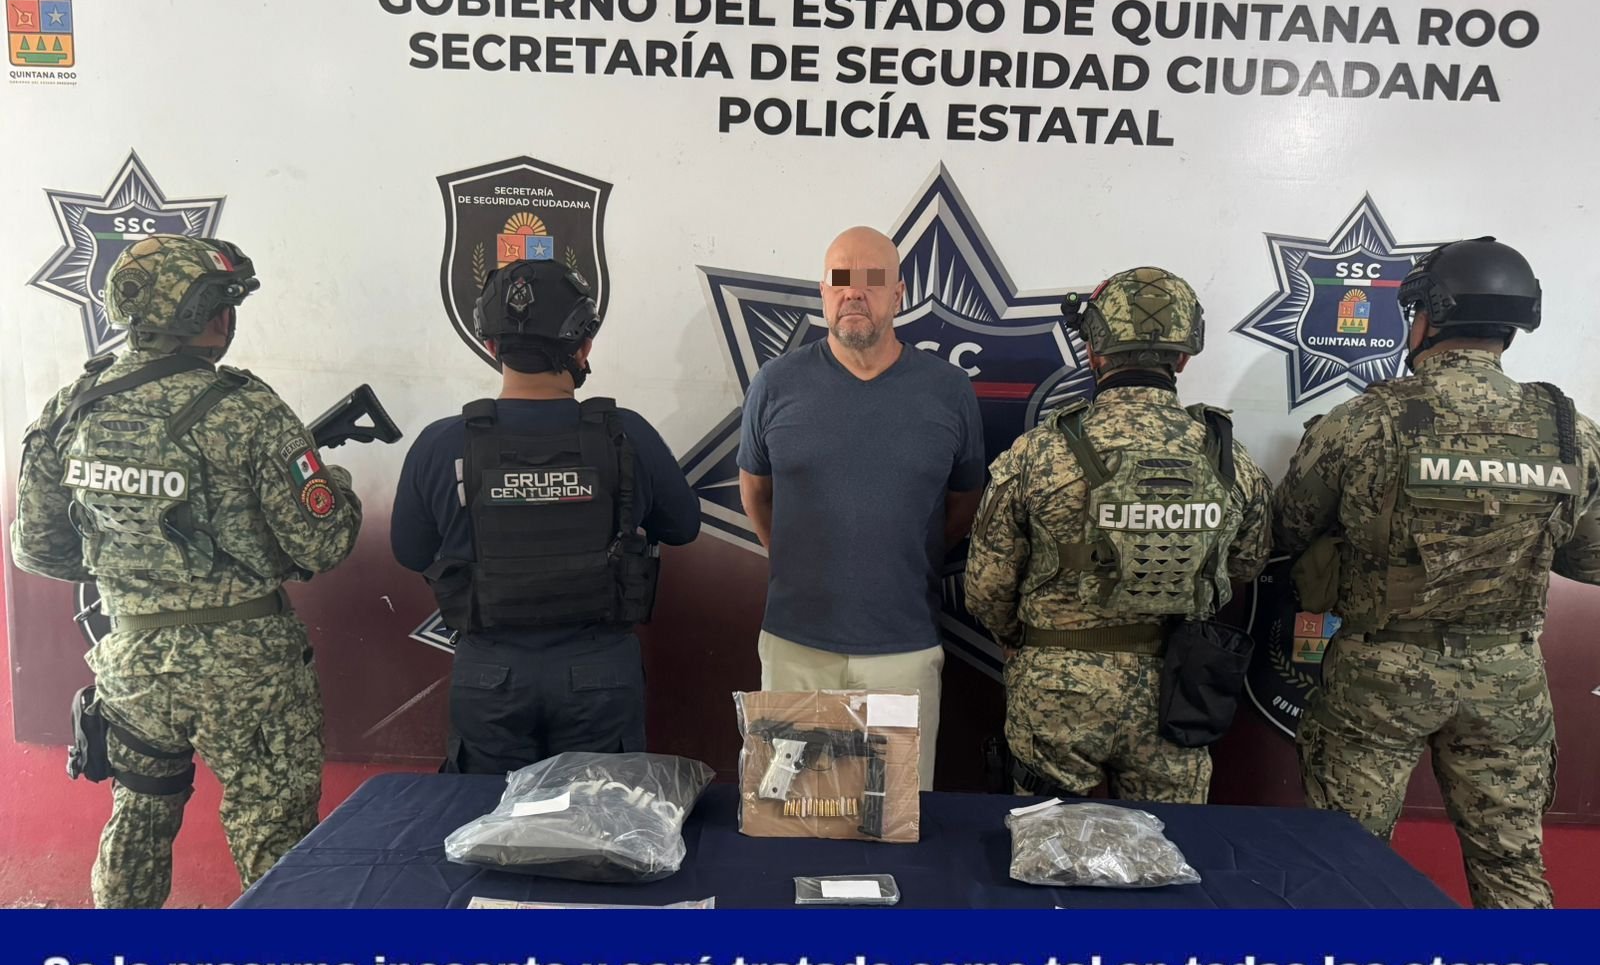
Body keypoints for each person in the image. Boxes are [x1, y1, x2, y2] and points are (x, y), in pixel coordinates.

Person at [9, 234, 362, 907]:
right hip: (248, 668)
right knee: (273, 829)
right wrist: (335, 485)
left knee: (137, 817)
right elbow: (323, 545)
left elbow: (39, 550)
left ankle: (116, 963)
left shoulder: (71, 407)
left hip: (132, 661)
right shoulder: (248, 410)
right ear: (209, 313)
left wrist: (136, 563)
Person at [1274, 236, 1600, 908]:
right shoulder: (1572, 429)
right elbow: (1589, 558)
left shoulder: (1365, 419)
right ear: (1513, 326)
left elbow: (1290, 526)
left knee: (1345, 861)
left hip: (1379, 672)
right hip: (1507, 677)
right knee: (1511, 864)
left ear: (1427, 317)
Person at [965, 267, 1272, 802]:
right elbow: (1246, 564)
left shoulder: (1040, 453)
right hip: (1180, 690)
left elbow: (986, 587)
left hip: (1059, 686)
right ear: (1183, 357)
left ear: (1093, 352)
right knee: (1170, 844)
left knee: (1050, 842)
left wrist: (1021, 643)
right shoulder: (1229, 458)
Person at [391, 259, 699, 774]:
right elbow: (683, 528)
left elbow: (410, 551)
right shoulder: (627, 434)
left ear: (491, 346)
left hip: (490, 678)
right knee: (598, 820)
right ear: (583, 347)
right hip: (599, 675)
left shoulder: (441, 443)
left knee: (489, 820)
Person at [737, 226, 985, 791]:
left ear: (898, 294)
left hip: (904, 649)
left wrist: (900, 558)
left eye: (870, 280)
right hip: (795, 647)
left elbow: (964, 504)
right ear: (824, 292)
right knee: (790, 812)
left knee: (890, 815)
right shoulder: (775, 384)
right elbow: (755, 492)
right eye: (839, 280)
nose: (853, 292)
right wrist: (794, 559)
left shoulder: (948, 390)